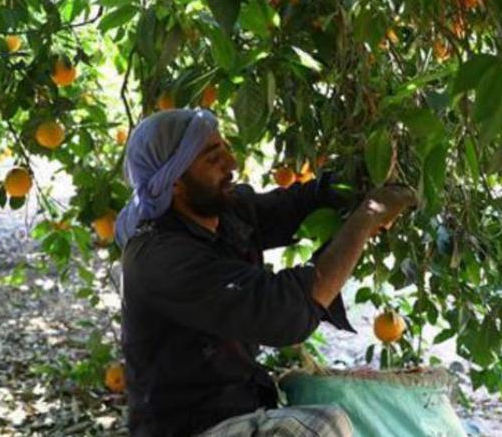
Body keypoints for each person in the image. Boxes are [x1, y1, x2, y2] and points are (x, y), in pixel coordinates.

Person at [116, 109, 418, 436]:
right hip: (190, 427)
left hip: (239, 405)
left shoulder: (223, 215)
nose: (231, 164)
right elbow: (282, 311)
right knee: (322, 428)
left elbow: (299, 205)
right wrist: (368, 217)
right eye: (212, 159)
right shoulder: (158, 258)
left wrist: (368, 168)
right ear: (174, 182)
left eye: (226, 149)